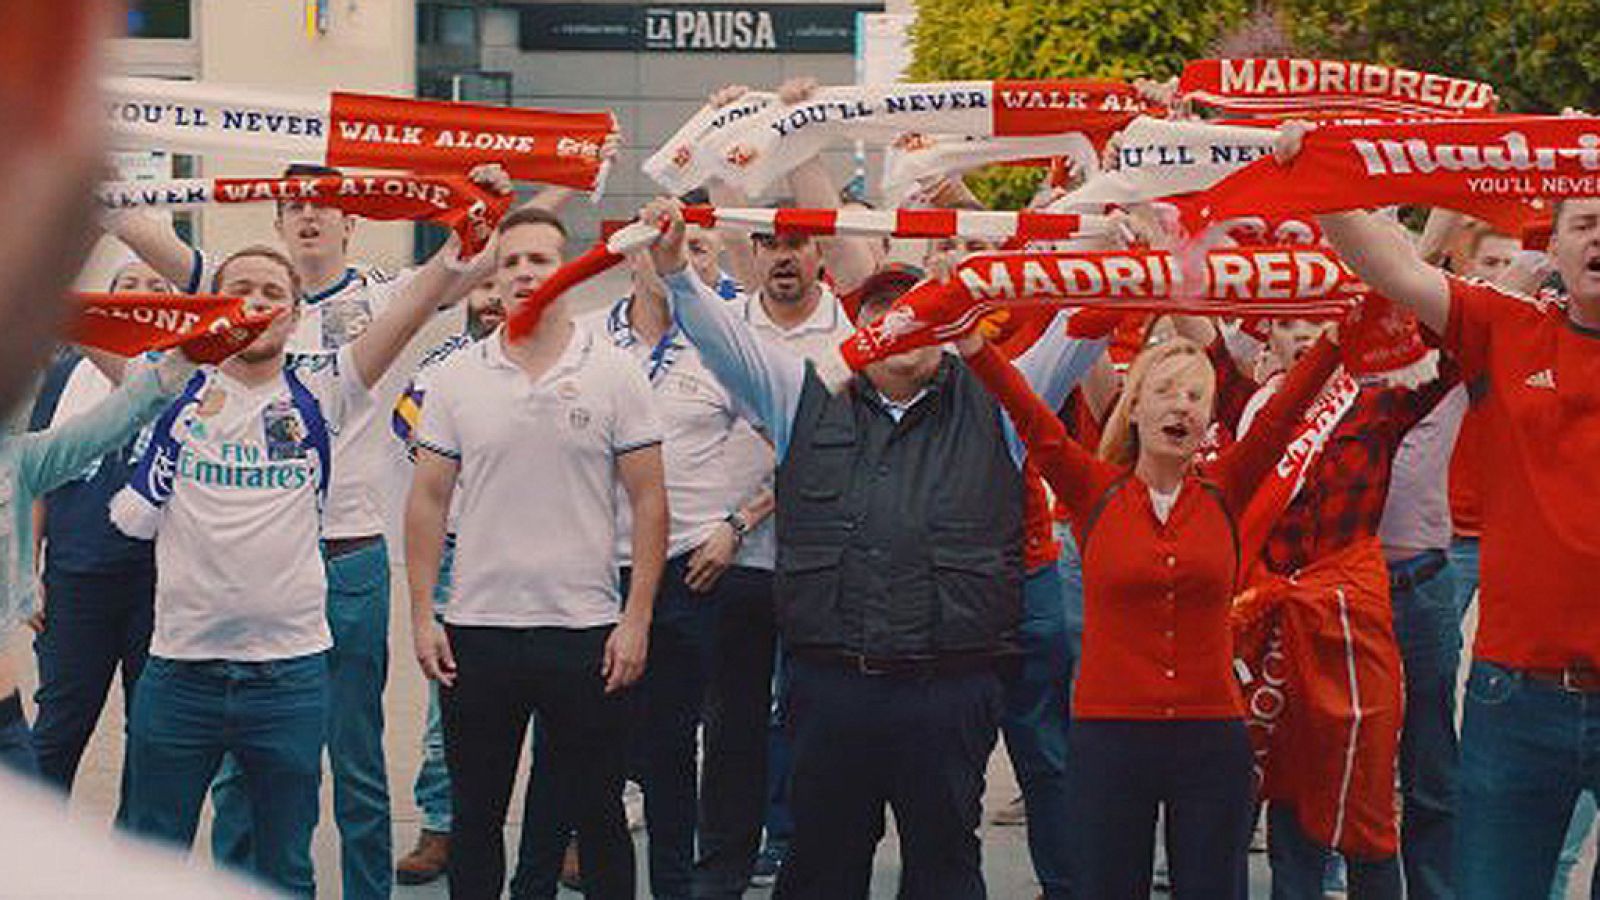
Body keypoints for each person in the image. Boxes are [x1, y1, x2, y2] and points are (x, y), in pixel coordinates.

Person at [640, 196, 1104, 899]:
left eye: (921, 309)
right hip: (831, 691)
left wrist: (1116, 249)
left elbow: (1083, 330)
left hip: (948, 691)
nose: (903, 325)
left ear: (950, 327)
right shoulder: (800, 396)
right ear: (858, 328)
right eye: (884, 313)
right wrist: (676, 272)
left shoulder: (1003, 405)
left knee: (945, 866)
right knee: (823, 865)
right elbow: (720, 340)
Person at [107, 163, 512, 900]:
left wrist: (485, 197)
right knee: (239, 776)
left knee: (354, 763)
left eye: (326, 204)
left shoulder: (380, 298)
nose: (310, 216)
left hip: (347, 560)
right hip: (245, 575)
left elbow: (467, 263)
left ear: (352, 220)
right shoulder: (235, 289)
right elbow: (129, 223)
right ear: (277, 222)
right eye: (294, 204)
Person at [1278, 123, 1600, 899]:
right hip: (1515, 699)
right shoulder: (1505, 328)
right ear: (1548, 250)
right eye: (1586, 222)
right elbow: (1387, 265)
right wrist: (1316, 172)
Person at [958, 316, 1340, 898]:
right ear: (1133, 409)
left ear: (1210, 420)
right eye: (1164, 392)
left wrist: (1337, 339)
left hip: (1211, 734)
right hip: (1110, 736)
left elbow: (1288, 411)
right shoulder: (1095, 489)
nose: (1180, 407)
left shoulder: (1226, 487)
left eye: (1195, 396)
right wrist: (974, 346)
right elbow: (1033, 419)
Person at [406, 206, 668, 900]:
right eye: (511, 261)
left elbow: (648, 501)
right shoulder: (459, 376)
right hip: (477, 631)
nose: (524, 273)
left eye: (540, 260)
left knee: (598, 814)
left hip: (583, 631)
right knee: (478, 819)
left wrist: (635, 618)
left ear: (567, 271)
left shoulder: (614, 371)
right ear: (494, 278)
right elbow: (428, 499)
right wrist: (423, 615)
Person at [25, 261, 173, 816]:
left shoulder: (190, 377)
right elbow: (34, 476)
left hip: (158, 582)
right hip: (76, 577)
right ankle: (30, 848)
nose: (140, 294)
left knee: (151, 733)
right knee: (60, 725)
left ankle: (134, 854)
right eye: (128, 284)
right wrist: (26, 568)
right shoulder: (66, 374)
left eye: (156, 287)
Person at [390, 274, 507, 886]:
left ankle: (566, 826)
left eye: (506, 280)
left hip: (555, 555)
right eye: (482, 283)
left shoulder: (577, 356)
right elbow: (416, 446)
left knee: (565, 701)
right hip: (463, 553)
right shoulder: (442, 369)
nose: (493, 296)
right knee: (449, 700)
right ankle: (442, 822)